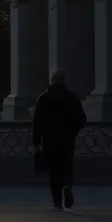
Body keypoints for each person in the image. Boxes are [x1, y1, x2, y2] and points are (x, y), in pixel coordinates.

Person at [31, 70, 87, 211]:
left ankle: (57, 202)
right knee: (67, 166)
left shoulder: (43, 98)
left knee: (53, 170)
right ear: (64, 81)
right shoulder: (72, 97)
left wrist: (36, 141)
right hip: (67, 139)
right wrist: (73, 132)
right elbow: (82, 119)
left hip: (49, 140)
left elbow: (37, 122)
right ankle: (67, 186)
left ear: (51, 81)